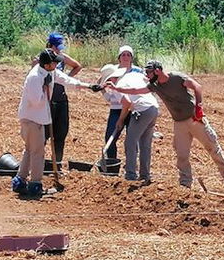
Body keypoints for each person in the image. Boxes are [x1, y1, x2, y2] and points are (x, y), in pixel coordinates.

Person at [106, 60, 224, 187]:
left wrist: (199, 107)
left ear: (157, 71)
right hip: (179, 123)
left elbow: (197, 87)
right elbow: (136, 90)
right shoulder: (155, 85)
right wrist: (118, 88)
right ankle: (185, 182)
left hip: (194, 118)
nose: (147, 75)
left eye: (149, 72)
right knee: (182, 155)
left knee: (211, 145)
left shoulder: (177, 78)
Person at [13, 50, 100, 196]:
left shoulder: (50, 72)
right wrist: (45, 88)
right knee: (37, 152)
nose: (57, 64)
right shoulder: (35, 77)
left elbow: (67, 80)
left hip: (37, 118)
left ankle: (20, 180)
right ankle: (35, 183)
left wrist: (88, 86)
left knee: (30, 150)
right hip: (32, 119)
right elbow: (37, 102)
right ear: (47, 65)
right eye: (55, 62)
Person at [31, 32, 84, 168]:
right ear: (50, 45)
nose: (59, 50)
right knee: (44, 134)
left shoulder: (62, 58)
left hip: (61, 100)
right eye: (57, 47)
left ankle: (57, 164)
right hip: (47, 102)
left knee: (61, 133)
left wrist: (64, 79)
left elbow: (77, 65)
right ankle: (38, 163)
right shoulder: (41, 60)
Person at [103, 66, 160, 182]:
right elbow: (148, 82)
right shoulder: (134, 75)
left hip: (142, 110)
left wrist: (120, 120)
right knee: (145, 143)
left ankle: (130, 174)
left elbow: (127, 103)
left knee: (130, 142)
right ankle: (145, 175)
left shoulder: (117, 86)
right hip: (153, 108)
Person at [101, 45, 144, 159]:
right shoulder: (112, 71)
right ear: (119, 57)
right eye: (123, 55)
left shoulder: (138, 71)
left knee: (132, 139)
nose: (126, 57)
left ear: (132, 57)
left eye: (128, 55)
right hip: (116, 109)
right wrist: (106, 95)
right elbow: (102, 84)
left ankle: (131, 164)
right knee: (110, 136)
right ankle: (111, 162)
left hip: (133, 109)